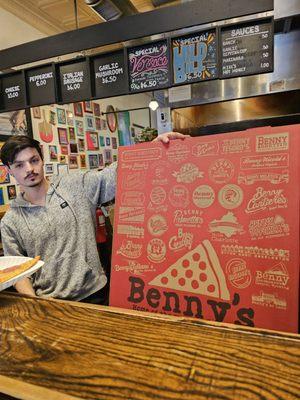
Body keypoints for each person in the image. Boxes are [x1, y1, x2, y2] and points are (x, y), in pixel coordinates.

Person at [0, 131, 187, 303]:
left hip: (96, 294)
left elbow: (114, 174)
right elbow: (19, 271)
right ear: (9, 170)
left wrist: (151, 149)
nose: (30, 169)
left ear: (41, 158)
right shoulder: (11, 221)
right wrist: (35, 305)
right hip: (50, 302)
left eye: (34, 160)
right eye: (19, 165)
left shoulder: (75, 186)